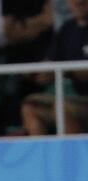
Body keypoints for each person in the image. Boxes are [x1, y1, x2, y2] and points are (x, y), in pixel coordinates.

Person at [21, 0, 88, 135]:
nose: (78, 2)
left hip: (80, 102)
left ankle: (73, 155)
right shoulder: (67, 29)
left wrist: (67, 72)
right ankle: (41, 155)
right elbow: (50, 62)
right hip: (79, 99)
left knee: (63, 108)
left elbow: (68, 71)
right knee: (31, 105)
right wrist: (36, 72)